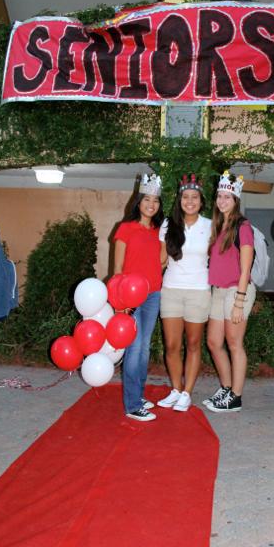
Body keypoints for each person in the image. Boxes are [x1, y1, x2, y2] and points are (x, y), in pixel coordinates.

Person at [157, 174, 212, 412]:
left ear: (201, 201)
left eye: (195, 197)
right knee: (171, 345)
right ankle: (176, 389)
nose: (190, 201)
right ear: (179, 200)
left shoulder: (210, 226)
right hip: (171, 290)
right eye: (186, 197)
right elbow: (160, 260)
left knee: (193, 343)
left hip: (199, 291)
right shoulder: (168, 225)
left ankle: (187, 392)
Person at [203, 171, 256, 413]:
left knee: (234, 343)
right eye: (220, 196)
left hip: (237, 290)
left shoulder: (242, 226)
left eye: (228, 197)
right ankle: (226, 388)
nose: (223, 201)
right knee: (214, 342)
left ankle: (236, 396)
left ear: (236, 200)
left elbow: (246, 268)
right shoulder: (217, 226)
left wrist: (239, 301)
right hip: (218, 291)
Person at [114, 174, 164, 422]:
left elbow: (162, 260)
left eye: (155, 200)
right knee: (133, 350)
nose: (151, 204)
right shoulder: (125, 228)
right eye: (147, 199)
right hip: (130, 297)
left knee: (144, 349)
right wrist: (119, 302)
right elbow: (117, 268)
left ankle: (138, 395)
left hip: (153, 294)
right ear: (138, 201)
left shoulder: (158, 231)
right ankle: (132, 405)